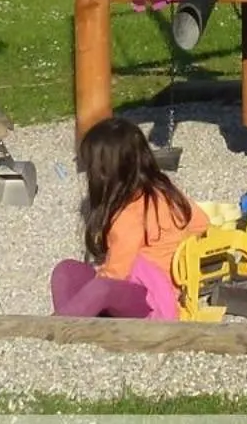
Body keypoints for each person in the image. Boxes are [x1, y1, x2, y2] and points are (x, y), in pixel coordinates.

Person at [51, 116, 208, 319]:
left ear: (104, 173)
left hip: (151, 305)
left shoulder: (128, 215)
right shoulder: (166, 192)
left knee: (88, 283)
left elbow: (116, 274)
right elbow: (201, 223)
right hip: (162, 292)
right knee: (68, 271)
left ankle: (61, 326)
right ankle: (71, 319)